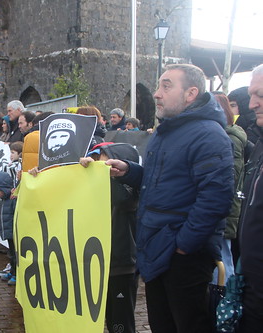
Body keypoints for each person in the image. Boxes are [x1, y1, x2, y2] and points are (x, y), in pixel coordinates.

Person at [105, 63, 234, 333]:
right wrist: (129, 171)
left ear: (191, 94)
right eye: (158, 85)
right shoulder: (169, 132)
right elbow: (159, 181)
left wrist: (183, 246)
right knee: (162, 325)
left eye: (166, 86)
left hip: (181, 257)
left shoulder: (209, 134)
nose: (156, 94)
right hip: (157, 250)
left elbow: (216, 199)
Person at [80, 142, 140, 333]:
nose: (97, 164)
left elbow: (123, 200)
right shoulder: (92, 185)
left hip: (120, 268)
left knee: (120, 325)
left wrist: (100, 175)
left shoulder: (131, 191)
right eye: (96, 159)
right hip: (92, 266)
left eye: (102, 160)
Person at [211, 92, 247, 282]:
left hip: (225, 211)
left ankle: (224, 300)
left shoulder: (230, 138)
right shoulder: (229, 135)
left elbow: (229, 178)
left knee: (223, 256)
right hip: (225, 209)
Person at [238, 64, 263, 332]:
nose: (252, 104)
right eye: (251, 95)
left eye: (260, 95)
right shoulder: (258, 145)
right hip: (252, 293)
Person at [0, 172, 18, 286]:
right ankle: (12, 271)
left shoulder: (12, 199)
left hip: (13, 232)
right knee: (10, 253)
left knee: (14, 254)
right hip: (8, 231)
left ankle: (16, 274)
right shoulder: (5, 199)